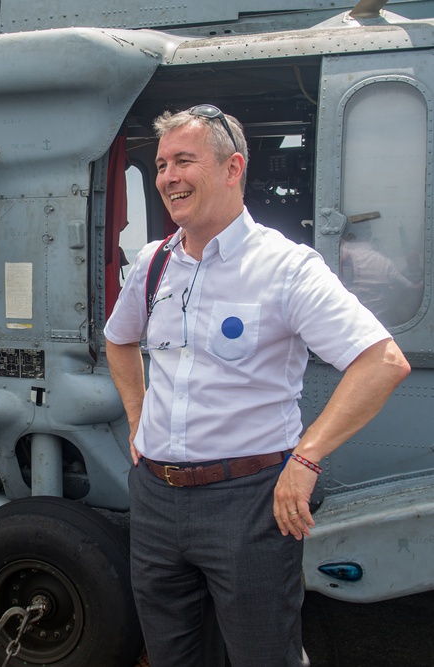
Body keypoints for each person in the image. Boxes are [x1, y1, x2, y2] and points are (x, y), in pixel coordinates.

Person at [104, 105, 410, 666]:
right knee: (172, 655)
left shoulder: (286, 267)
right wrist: (137, 414)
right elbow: (119, 340)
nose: (168, 177)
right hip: (154, 499)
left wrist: (307, 459)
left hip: (246, 502)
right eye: (162, 164)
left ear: (232, 167)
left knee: (261, 655)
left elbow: (382, 362)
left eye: (185, 161)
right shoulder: (153, 264)